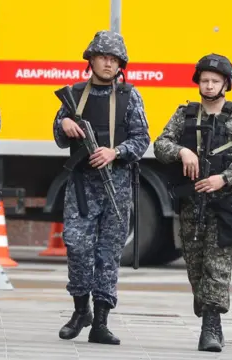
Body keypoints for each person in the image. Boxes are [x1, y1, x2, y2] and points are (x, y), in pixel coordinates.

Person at [153, 54, 232, 352]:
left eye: (215, 81)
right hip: (192, 202)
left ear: (226, 83)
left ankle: (211, 326)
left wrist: (223, 178)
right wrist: (182, 153)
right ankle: (206, 313)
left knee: (217, 264)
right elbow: (160, 144)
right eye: (205, 81)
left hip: (225, 202)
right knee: (196, 266)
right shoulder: (185, 114)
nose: (209, 86)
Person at [53, 30, 150, 345]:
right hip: (82, 184)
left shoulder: (129, 96)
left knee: (108, 254)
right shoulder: (75, 94)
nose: (108, 63)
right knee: (77, 246)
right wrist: (64, 124)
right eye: (102, 57)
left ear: (120, 64)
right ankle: (81, 310)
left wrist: (115, 152)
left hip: (117, 185)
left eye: (113, 59)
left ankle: (101, 321)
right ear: (91, 60)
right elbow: (58, 134)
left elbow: (141, 139)